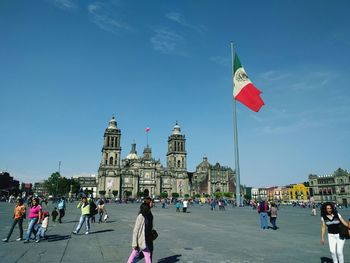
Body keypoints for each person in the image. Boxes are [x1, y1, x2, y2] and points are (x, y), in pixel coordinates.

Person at [127, 197, 155, 263]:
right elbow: (135, 230)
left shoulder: (148, 214)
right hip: (141, 239)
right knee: (145, 254)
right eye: (152, 202)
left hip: (146, 238)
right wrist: (134, 243)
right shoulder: (141, 216)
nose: (153, 203)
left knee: (143, 253)